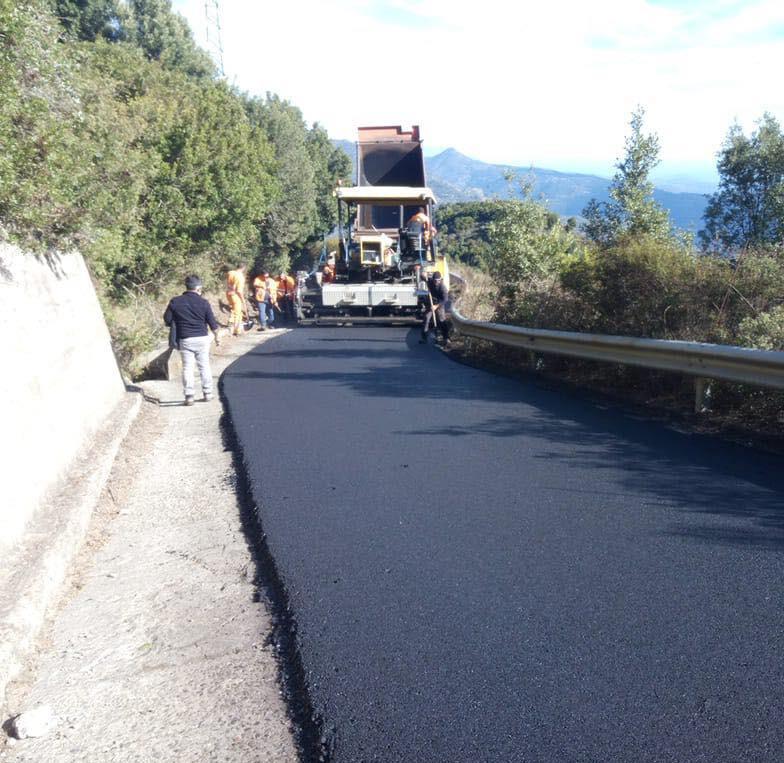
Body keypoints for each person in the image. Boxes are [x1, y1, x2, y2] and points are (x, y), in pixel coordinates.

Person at [164, 275, 221, 406]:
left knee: (187, 368)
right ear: (198, 288)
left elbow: (167, 319)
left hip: (185, 339)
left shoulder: (175, 301)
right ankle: (208, 393)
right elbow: (212, 323)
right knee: (204, 366)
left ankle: (189, 396)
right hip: (202, 339)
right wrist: (217, 337)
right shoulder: (204, 302)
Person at [420, 271, 450, 345]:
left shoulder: (442, 287)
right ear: (433, 279)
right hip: (431, 303)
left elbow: (445, 299)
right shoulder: (429, 281)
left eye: (438, 280)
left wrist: (436, 306)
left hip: (440, 304)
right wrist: (423, 275)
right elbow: (422, 276)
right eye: (435, 280)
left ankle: (446, 338)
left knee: (441, 320)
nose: (436, 282)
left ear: (440, 280)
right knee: (426, 318)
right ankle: (424, 338)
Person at [226, 263, 248, 336]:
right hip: (236, 295)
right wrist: (242, 299)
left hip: (228, 293)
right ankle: (236, 330)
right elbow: (239, 291)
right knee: (237, 313)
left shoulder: (231, 273)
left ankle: (231, 322)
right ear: (243, 268)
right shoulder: (240, 277)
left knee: (234, 310)